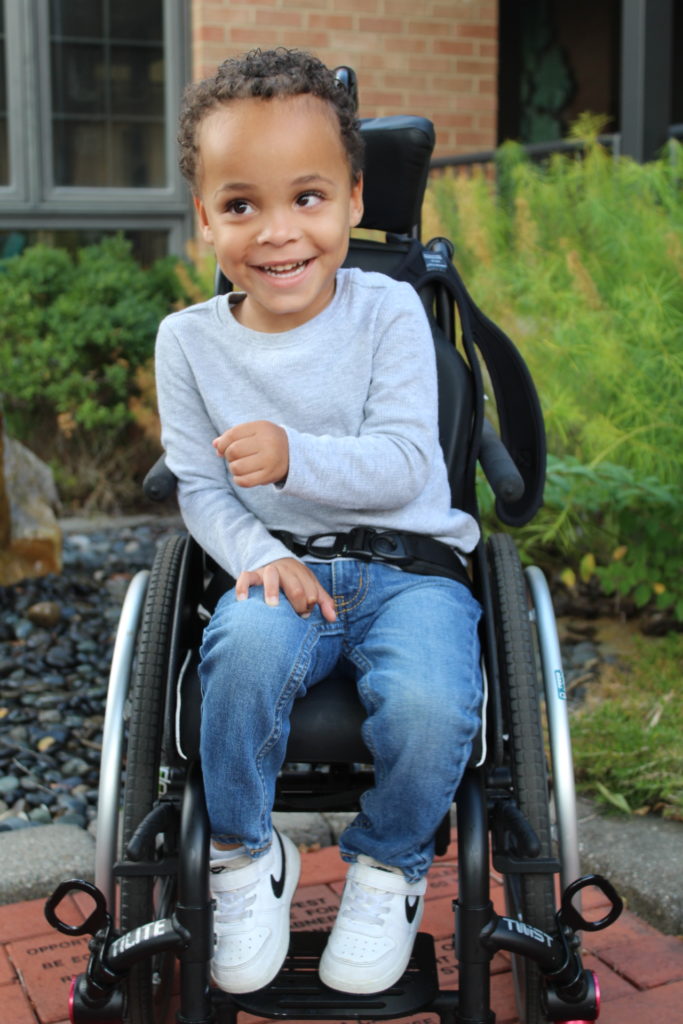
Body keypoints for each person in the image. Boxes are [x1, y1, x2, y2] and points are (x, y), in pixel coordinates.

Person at [155, 47, 483, 997]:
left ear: (350, 198)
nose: (277, 233)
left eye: (307, 198)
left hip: (410, 569)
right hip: (278, 572)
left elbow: (412, 465)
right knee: (240, 654)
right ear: (205, 216)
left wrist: (295, 454)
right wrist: (259, 555)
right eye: (242, 204)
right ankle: (245, 858)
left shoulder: (387, 310)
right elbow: (199, 488)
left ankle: (386, 870)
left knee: (428, 706)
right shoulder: (188, 342)